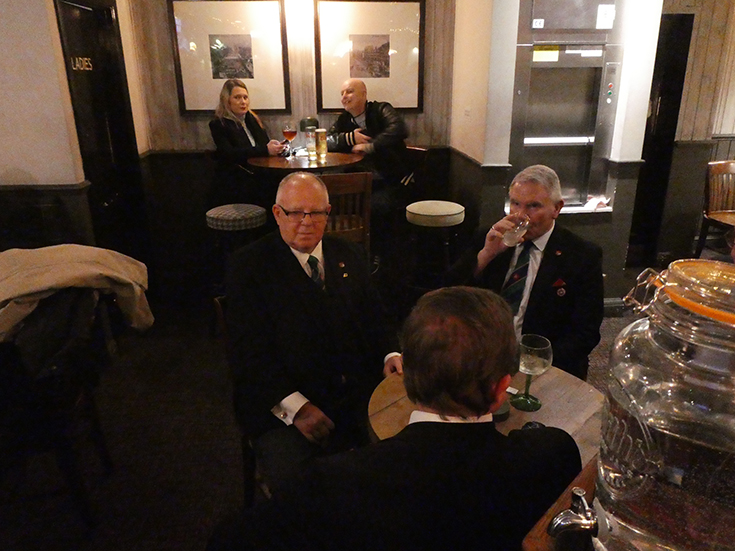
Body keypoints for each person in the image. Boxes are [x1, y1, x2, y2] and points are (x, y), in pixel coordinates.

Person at [207, 286, 582, 551]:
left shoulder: (334, 482)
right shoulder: (553, 456)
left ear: (407, 376)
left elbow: (228, 540)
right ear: (502, 388)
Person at [225, 172, 401, 494]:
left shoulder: (350, 254)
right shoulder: (248, 266)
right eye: (295, 212)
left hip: (353, 393)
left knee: (397, 466)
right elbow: (249, 357)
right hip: (281, 405)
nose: (306, 222)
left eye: (316, 213)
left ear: (328, 213)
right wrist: (298, 409)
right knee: (304, 492)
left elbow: (377, 316)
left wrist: (391, 353)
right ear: (278, 213)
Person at [448, 164, 604, 380]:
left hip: (545, 366)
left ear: (556, 208)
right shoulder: (490, 238)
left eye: (533, 206)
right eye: (515, 203)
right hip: (484, 358)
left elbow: (586, 332)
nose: (520, 215)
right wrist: (486, 255)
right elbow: (449, 295)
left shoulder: (581, 256)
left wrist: (536, 363)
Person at [208, 79, 285, 209]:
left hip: (258, 175)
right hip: (236, 180)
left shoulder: (252, 119)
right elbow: (229, 154)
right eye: (237, 97)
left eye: (245, 97)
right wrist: (266, 149)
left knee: (284, 184)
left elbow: (262, 145)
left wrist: (273, 146)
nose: (243, 102)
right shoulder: (219, 124)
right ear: (227, 101)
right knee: (274, 189)